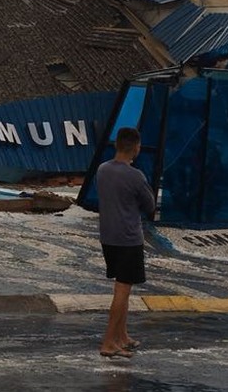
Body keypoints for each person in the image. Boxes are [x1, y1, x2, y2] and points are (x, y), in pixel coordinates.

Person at [96, 126, 155, 359]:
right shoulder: (135, 176)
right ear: (136, 149)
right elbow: (149, 205)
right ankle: (109, 342)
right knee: (122, 291)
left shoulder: (102, 170)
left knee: (123, 288)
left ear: (116, 145)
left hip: (108, 237)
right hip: (128, 239)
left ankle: (122, 335)